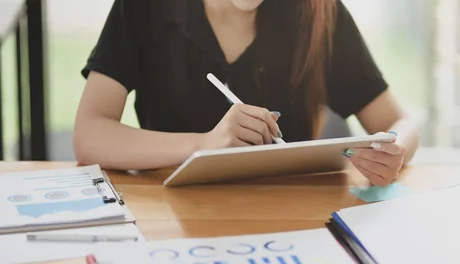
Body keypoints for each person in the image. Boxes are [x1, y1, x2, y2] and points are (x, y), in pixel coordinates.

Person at [74, 0, 420, 186]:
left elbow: (397, 121)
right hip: (172, 219)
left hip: (296, 224)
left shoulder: (318, 11)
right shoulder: (145, 8)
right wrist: (203, 145)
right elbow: (90, 134)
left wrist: (393, 148)